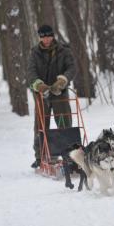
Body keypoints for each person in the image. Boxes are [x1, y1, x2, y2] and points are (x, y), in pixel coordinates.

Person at [27, 24, 76, 168]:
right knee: (41, 126)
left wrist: (62, 81)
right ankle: (40, 156)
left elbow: (72, 68)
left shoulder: (63, 51)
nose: (46, 39)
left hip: (59, 93)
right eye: (43, 37)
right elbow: (31, 72)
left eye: (48, 36)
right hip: (42, 94)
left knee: (64, 123)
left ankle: (70, 155)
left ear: (53, 36)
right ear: (39, 37)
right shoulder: (34, 53)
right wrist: (39, 85)